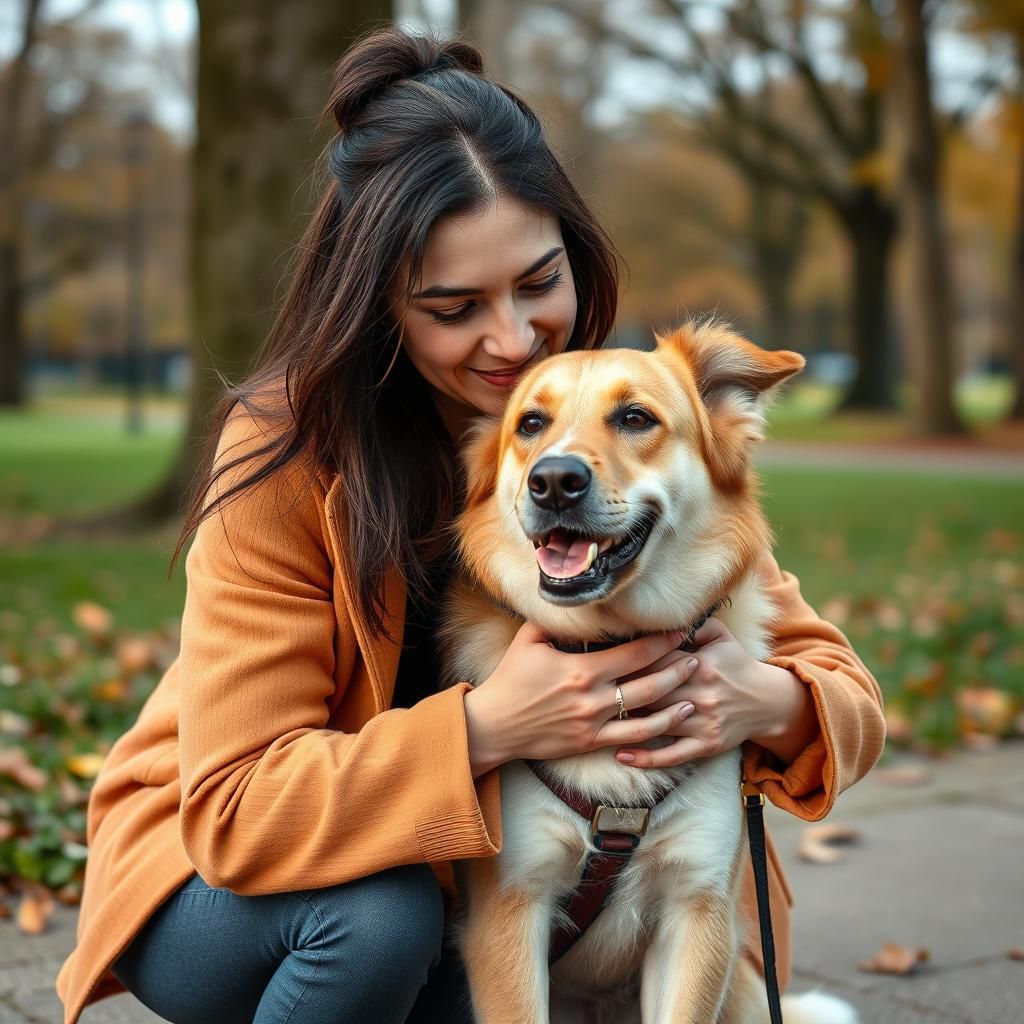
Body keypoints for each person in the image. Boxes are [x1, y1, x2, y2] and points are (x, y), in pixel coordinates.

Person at [55, 24, 886, 1024]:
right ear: (379, 304)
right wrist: (494, 725)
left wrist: (758, 697)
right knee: (381, 918)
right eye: (454, 306)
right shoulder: (285, 451)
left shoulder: (626, 428)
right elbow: (237, 811)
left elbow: (835, 688)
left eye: (538, 282)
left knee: (484, 956)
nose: (511, 336)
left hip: (475, 889)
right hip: (224, 885)